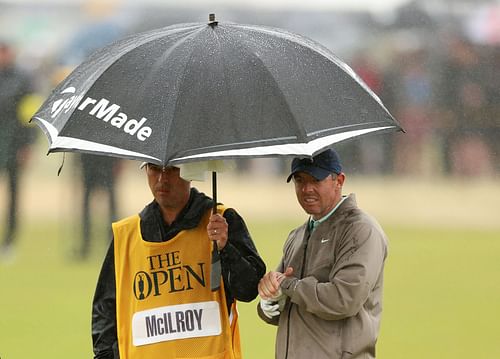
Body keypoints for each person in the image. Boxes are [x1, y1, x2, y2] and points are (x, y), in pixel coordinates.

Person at [92, 163, 266, 359]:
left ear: (191, 170)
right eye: (154, 168)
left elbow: (249, 289)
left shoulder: (221, 221)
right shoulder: (126, 235)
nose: (162, 179)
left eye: (172, 169)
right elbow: (104, 312)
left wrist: (226, 249)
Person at [257, 149, 388, 359]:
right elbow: (281, 307)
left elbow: (344, 299)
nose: (307, 189)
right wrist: (270, 297)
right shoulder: (297, 235)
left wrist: (288, 285)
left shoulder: (361, 230)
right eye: (300, 180)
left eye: (316, 180)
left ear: (339, 180)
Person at [0, 41, 37, 260]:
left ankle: (9, 241)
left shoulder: (23, 79)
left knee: (14, 194)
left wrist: (28, 145)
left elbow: (29, 116)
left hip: (14, 143)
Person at [78, 153, 121, 259]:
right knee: (89, 206)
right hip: (95, 161)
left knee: (111, 206)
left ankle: (112, 241)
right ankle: (86, 243)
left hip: (105, 162)